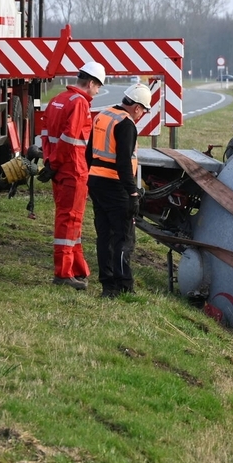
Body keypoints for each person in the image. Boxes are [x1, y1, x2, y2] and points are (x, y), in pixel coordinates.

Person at [40, 61, 106, 290]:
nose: (96, 93)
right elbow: (70, 138)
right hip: (73, 170)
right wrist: (57, 163)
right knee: (70, 220)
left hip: (59, 170)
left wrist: (50, 163)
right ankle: (63, 272)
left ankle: (78, 268)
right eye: (97, 88)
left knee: (70, 219)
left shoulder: (58, 99)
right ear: (90, 83)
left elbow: (46, 134)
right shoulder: (79, 103)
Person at [87, 83, 150, 298]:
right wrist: (133, 192)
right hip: (115, 186)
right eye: (144, 111)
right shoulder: (126, 123)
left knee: (104, 236)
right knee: (123, 238)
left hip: (96, 182)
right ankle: (124, 285)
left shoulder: (102, 115)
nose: (141, 116)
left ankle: (108, 286)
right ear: (137, 107)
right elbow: (124, 162)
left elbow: (89, 152)